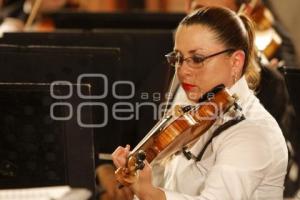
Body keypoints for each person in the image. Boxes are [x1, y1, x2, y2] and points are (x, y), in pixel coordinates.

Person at [112, 7, 288, 199]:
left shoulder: (254, 132)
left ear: (236, 61)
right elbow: (168, 183)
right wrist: (137, 176)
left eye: (197, 59)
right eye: (178, 58)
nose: (182, 71)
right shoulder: (198, 107)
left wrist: (149, 193)